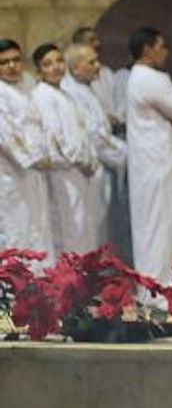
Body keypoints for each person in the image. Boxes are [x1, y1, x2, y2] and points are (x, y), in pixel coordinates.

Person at [126, 27, 172, 287]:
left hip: (160, 162)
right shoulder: (147, 77)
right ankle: (162, 287)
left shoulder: (143, 76)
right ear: (147, 49)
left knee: (168, 224)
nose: (166, 52)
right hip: (158, 164)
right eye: (161, 46)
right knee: (161, 225)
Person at [31, 43, 100, 253]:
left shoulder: (65, 94)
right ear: (39, 71)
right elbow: (55, 138)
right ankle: (71, 283)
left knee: (83, 227)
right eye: (48, 64)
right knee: (69, 229)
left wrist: (90, 159)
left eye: (59, 61)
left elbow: (81, 131)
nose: (56, 67)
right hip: (63, 172)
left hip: (79, 171)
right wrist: (79, 159)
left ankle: (86, 280)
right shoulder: (42, 96)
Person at [62, 43, 128, 253]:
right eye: (91, 62)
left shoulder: (86, 90)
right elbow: (95, 137)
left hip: (100, 172)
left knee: (97, 231)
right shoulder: (72, 93)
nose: (98, 66)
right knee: (84, 231)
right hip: (84, 173)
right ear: (74, 68)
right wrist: (127, 154)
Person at [0, 39, 53, 255]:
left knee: (39, 228)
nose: (11, 66)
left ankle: (40, 285)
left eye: (15, 60)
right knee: (18, 231)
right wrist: (33, 159)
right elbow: (6, 135)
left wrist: (46, 153)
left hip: (35, 174)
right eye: (4, 62)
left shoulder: (26, 88)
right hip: (13, 174)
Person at [72, 26, 127, 127]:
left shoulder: (107, 72)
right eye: (92, 40)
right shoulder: (71, 81)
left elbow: (118, 101)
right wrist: (104, 119)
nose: (97, 44)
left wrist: (117, 117)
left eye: (97, 39)